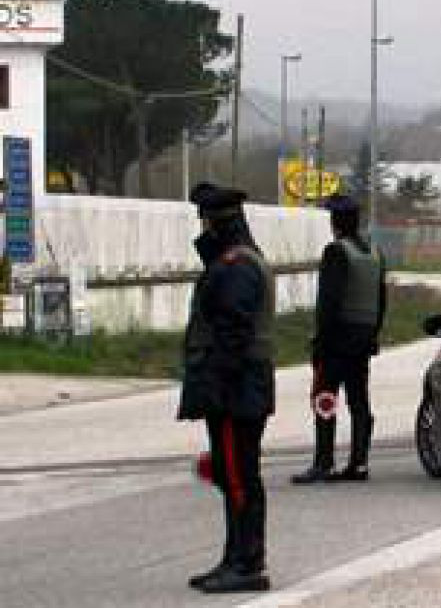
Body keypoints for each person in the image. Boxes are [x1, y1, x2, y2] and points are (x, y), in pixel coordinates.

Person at [178, 183, 275, 594]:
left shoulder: (236, 266)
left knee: (238, 477)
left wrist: (216, 387)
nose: (203, 227)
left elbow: (232, 332)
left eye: (206, 220)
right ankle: (234, 557)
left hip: (237, 390)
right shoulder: (235, 260)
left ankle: (247, 563)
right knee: (231, 474)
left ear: (217, 223)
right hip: (238, 387)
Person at [292, 194, 386, 484]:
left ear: (334, 224)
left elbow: (328, 303)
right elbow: (381, 300)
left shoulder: (336, 252)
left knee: (324, 397)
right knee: (359, 403)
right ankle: (359, 463)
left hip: (337, 341)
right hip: (363, 340)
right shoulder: (374, 254)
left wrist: (320, 342)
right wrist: (372, 335)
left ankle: (324, 463)